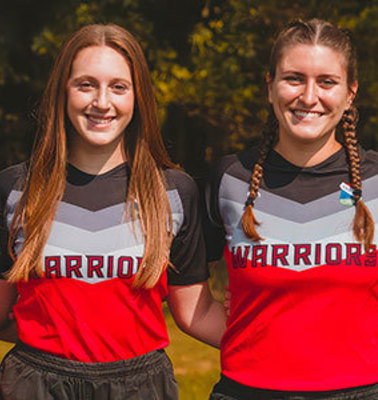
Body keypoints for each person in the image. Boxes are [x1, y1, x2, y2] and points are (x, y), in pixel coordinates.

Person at [0, 24, 226, 399]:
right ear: (62, 91)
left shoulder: (172, 192)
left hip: (140, 385)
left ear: (138, 97)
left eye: (119, 87)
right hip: (34, 383)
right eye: (86, 85)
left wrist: (284, 347)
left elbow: (195, 313)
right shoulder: (17, 189)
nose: (102, 102)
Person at [204, 18, 378, 400]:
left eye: (327, 82)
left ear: (350, 93)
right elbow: (189, 298)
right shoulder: (230, 177)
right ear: (270, 86)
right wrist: (255, 335)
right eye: (294, 79)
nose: (309, 97)